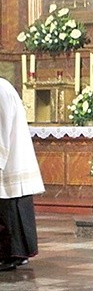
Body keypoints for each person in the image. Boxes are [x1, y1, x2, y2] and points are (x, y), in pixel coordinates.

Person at [0, 78, 45, 271]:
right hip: (10, 158)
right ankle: (13, 253)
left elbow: (2, 129)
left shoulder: (1, 89)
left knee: (10, 208)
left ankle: (12, 255)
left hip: (10, 159)